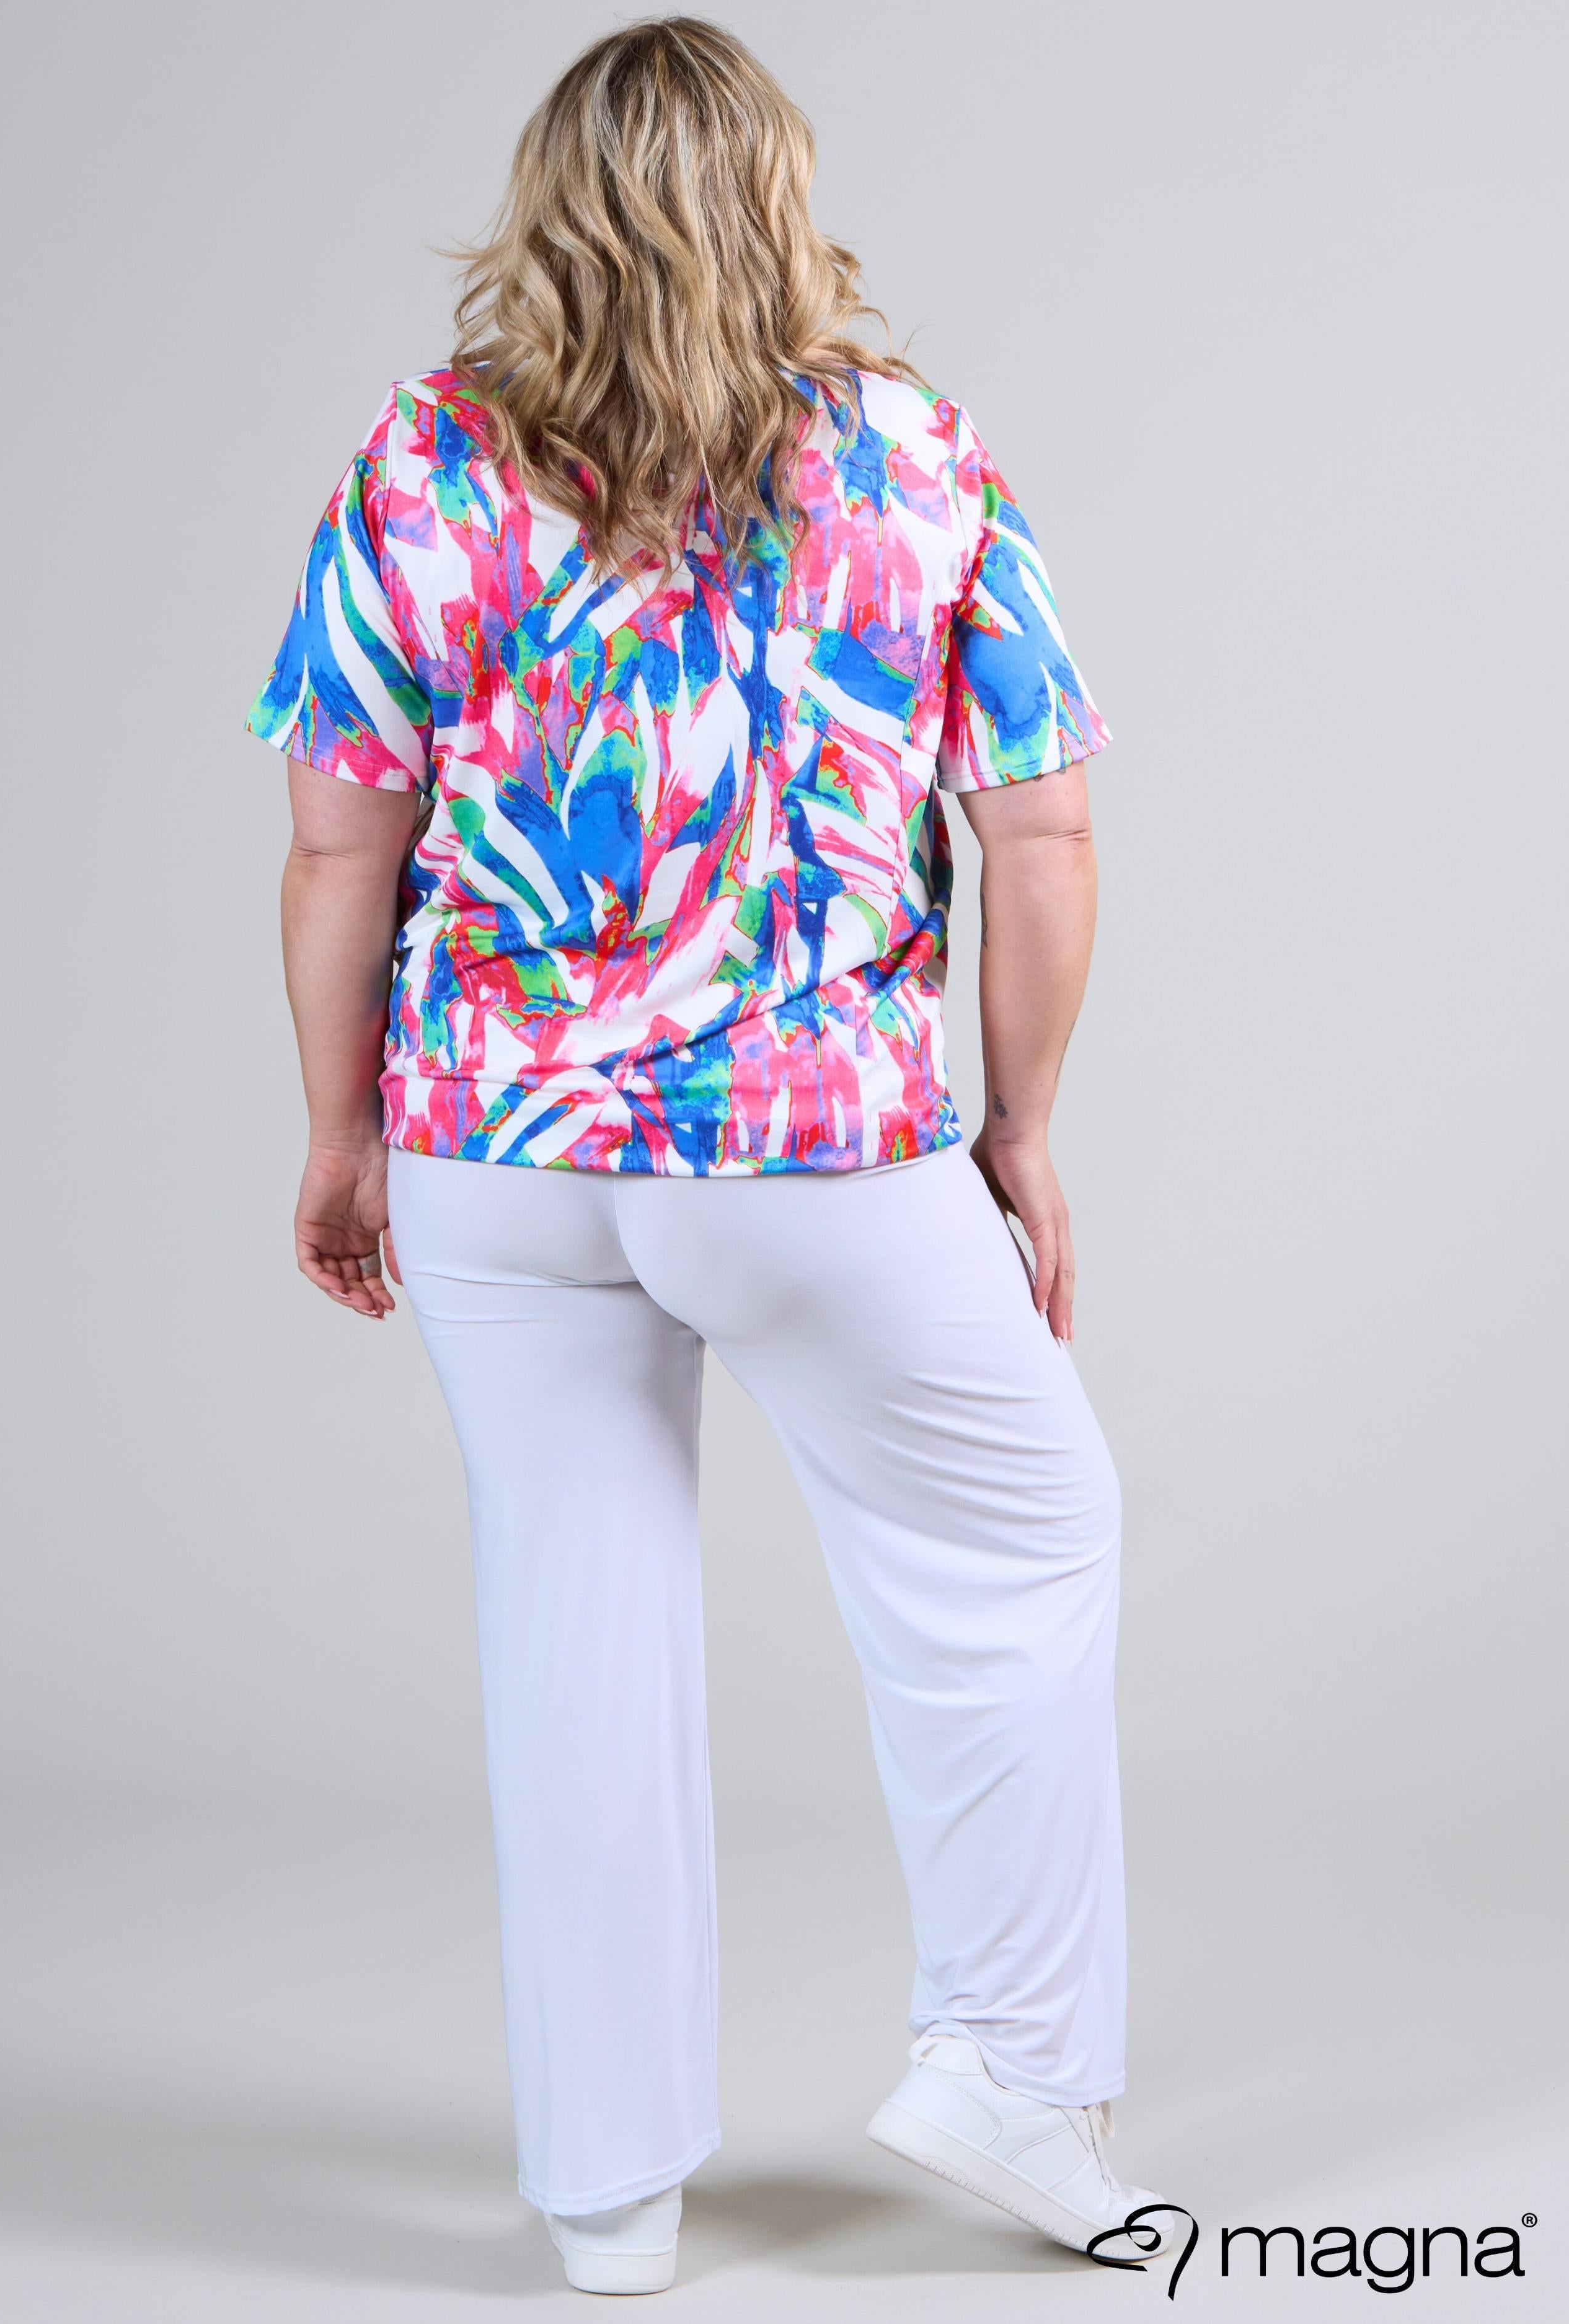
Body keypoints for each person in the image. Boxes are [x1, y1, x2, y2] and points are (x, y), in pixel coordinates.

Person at [247, 15, 1177, 2297]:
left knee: (574, 1619)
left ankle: (609, 2190)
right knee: (1020, 1541)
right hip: (811, 1147)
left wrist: (344, 1133)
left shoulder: (422, 460)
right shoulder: (916, 453)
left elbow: (337, 849)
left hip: (497, 1151)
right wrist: (1021, 1130)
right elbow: (1043, 835)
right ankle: (1013, 2070)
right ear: (781, 199)